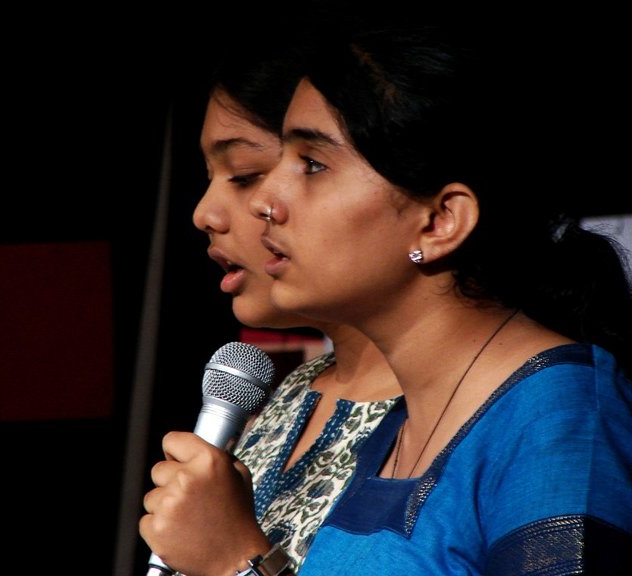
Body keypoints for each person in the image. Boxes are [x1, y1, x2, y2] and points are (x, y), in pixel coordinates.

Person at [245, 19, 632, 575]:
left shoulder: (559, 415)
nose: (263, 199)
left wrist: (236, 563)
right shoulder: (403, 416)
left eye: (312, 164)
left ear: (440, 222)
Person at [138, 31, 401, 576]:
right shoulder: (292, 391)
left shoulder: (478, 411)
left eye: (245, 174)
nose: (205, 213)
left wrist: (238, 562)